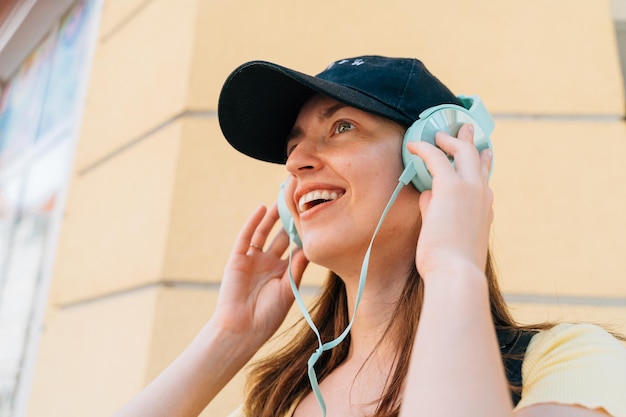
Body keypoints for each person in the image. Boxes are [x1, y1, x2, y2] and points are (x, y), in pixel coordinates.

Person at [113, 56, 626, 417]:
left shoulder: (572, 361)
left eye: (341, 128)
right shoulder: (274, 399)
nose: (295, 162)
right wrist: (228, 339)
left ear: (435, 158)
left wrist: (453, 268)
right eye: (293, 145)